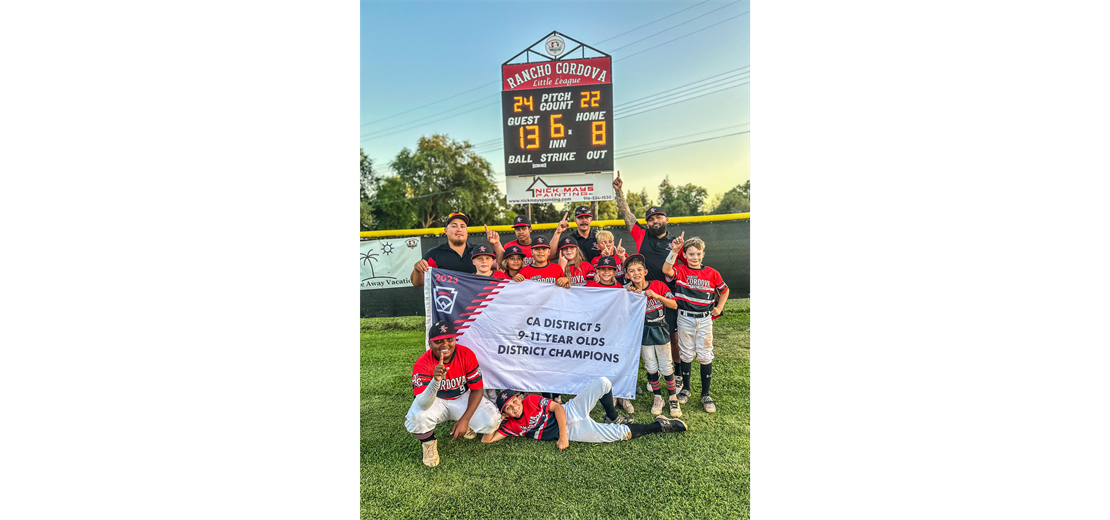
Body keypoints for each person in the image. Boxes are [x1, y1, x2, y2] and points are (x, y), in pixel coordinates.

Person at [612, 172, 687, 382]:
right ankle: (652, 374)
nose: (654, 221)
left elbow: (686, 269)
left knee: (672, 337)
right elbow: (627, 216)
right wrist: (619, 192)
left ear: (666, 219)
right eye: (651, 218)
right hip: (643, 295)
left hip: (666, 296)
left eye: (658, 217)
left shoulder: (676, 244)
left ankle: (677, 373)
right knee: (644, 337)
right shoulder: (641, 234)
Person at [482, 377, 687, 449]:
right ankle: (660, 425)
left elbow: (559, 409)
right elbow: (487, 440)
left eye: (514, 401)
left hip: (569, 413)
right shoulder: (510, 426)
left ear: (519, 398)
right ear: (506, 414)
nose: (514, 407)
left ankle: (612, 416)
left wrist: (562, 438)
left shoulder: (530, 400)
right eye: (508, 407)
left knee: (603, 383)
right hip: (575, 432)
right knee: (619, 435)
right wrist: (495, 419)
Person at [405, 320, 503, 467]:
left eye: (449, 339)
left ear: (455, 339)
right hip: (435, 401)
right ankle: (428, 443)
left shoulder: (466, 354)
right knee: (416, 417)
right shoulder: (423, 363)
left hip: (462, 397)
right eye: (438, 341)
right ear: (430, 343)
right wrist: (436, 380)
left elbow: (477, 389)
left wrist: (465, 419)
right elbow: (423, 403)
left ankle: (466, 423)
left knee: (492, 420)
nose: (445, 345)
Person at [663, 235, 730, 413]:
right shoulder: (681, 270)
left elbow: (724, 290)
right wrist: (675, 251)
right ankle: (686, 388)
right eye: (691, 254)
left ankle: (706, 394)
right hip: (685, 317)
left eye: (698, 254)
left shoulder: (712, 273)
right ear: (685, 255)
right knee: (686, 353)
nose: (695, 257)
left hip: (704, 318)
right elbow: (666, 269)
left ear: (703, 254)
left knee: (705, 353)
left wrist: (719, 307)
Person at [625, 254, 682, 418]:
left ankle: (673, 398)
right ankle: (658, 397)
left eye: (639, 270)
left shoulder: (658, 285)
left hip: (660, 328)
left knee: (666, 366)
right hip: (643, 331)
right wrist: (630, 295)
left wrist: (657, 296)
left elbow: (674, 304)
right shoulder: (629, 291)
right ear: (627, 275)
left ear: (645, 271)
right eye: (631, 271)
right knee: (651, 366)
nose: (636, 273)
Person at [410, 212, 503, 286]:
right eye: (454, 226)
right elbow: (417, 283)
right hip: (450, 306)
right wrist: (417, 269)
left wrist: (497, 244)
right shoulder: (435, 254)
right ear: (446, 231)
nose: (459, 229)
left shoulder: (478, 250)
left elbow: (502, 264)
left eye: (462, 226)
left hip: (478, 304)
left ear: (466, 231)